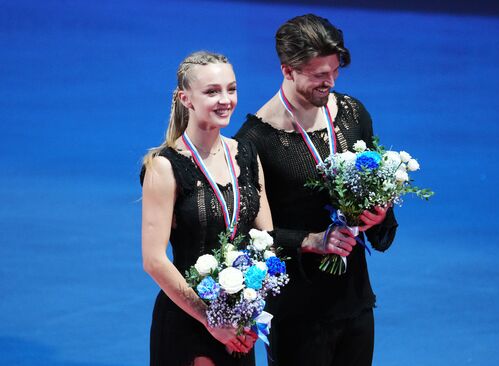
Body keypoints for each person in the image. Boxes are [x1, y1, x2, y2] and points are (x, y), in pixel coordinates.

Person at [235, 14, 398, 366]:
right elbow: (250, 237)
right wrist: (311, 240)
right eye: (319, 75)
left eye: (335, 72)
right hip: (297, 314)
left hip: (354, 302)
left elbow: (381, 207)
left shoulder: (353, 114)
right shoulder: (254, 141)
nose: (330, 82)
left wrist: (379, 214)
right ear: (288, 70)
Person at [141, 51, 272, 366]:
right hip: (187, 321)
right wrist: (209, 318)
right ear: (186, 99)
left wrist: (249, 309)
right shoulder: (164, 166)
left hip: (237, 321)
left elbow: (267, 239)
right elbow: (154, 261)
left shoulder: (247, 155)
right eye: (212, 91)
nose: (225, 99)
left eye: (231, 88)